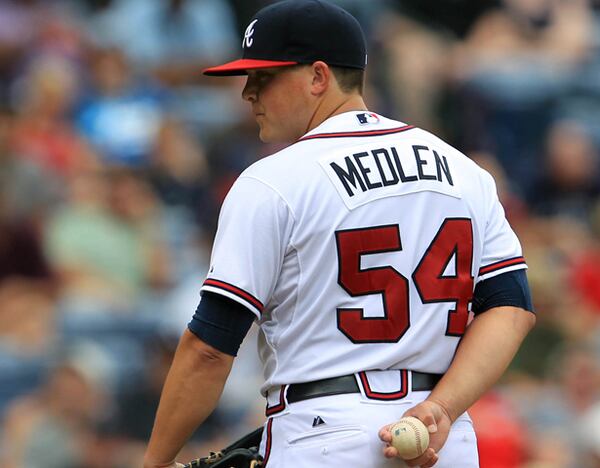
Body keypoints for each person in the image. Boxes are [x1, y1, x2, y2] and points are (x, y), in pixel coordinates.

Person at [143, 1, 535, 467]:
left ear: (318, 77)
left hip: (323, 434)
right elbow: (510, 310)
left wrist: (154, 462)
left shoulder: (273, 181)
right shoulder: (463, 171)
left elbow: (209, 349)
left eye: (263, 77)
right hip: (438, 440)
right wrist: (442, 407)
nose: (248, 93)